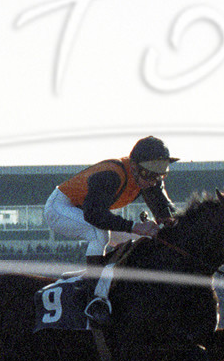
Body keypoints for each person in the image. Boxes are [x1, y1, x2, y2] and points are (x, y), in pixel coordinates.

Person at [43, 135, 178, 324]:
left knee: (135, 240)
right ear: (133, 166)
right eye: (149, 174)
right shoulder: (111, 174)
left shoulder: (145, 178)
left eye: (159, 175)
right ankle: (94, 299)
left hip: (83, 211)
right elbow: (94, 215)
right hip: (59, 208)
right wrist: (136, 226)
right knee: (99, 234)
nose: (154, 181)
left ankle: (106, 282)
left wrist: (171, 223)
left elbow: (166, 211)